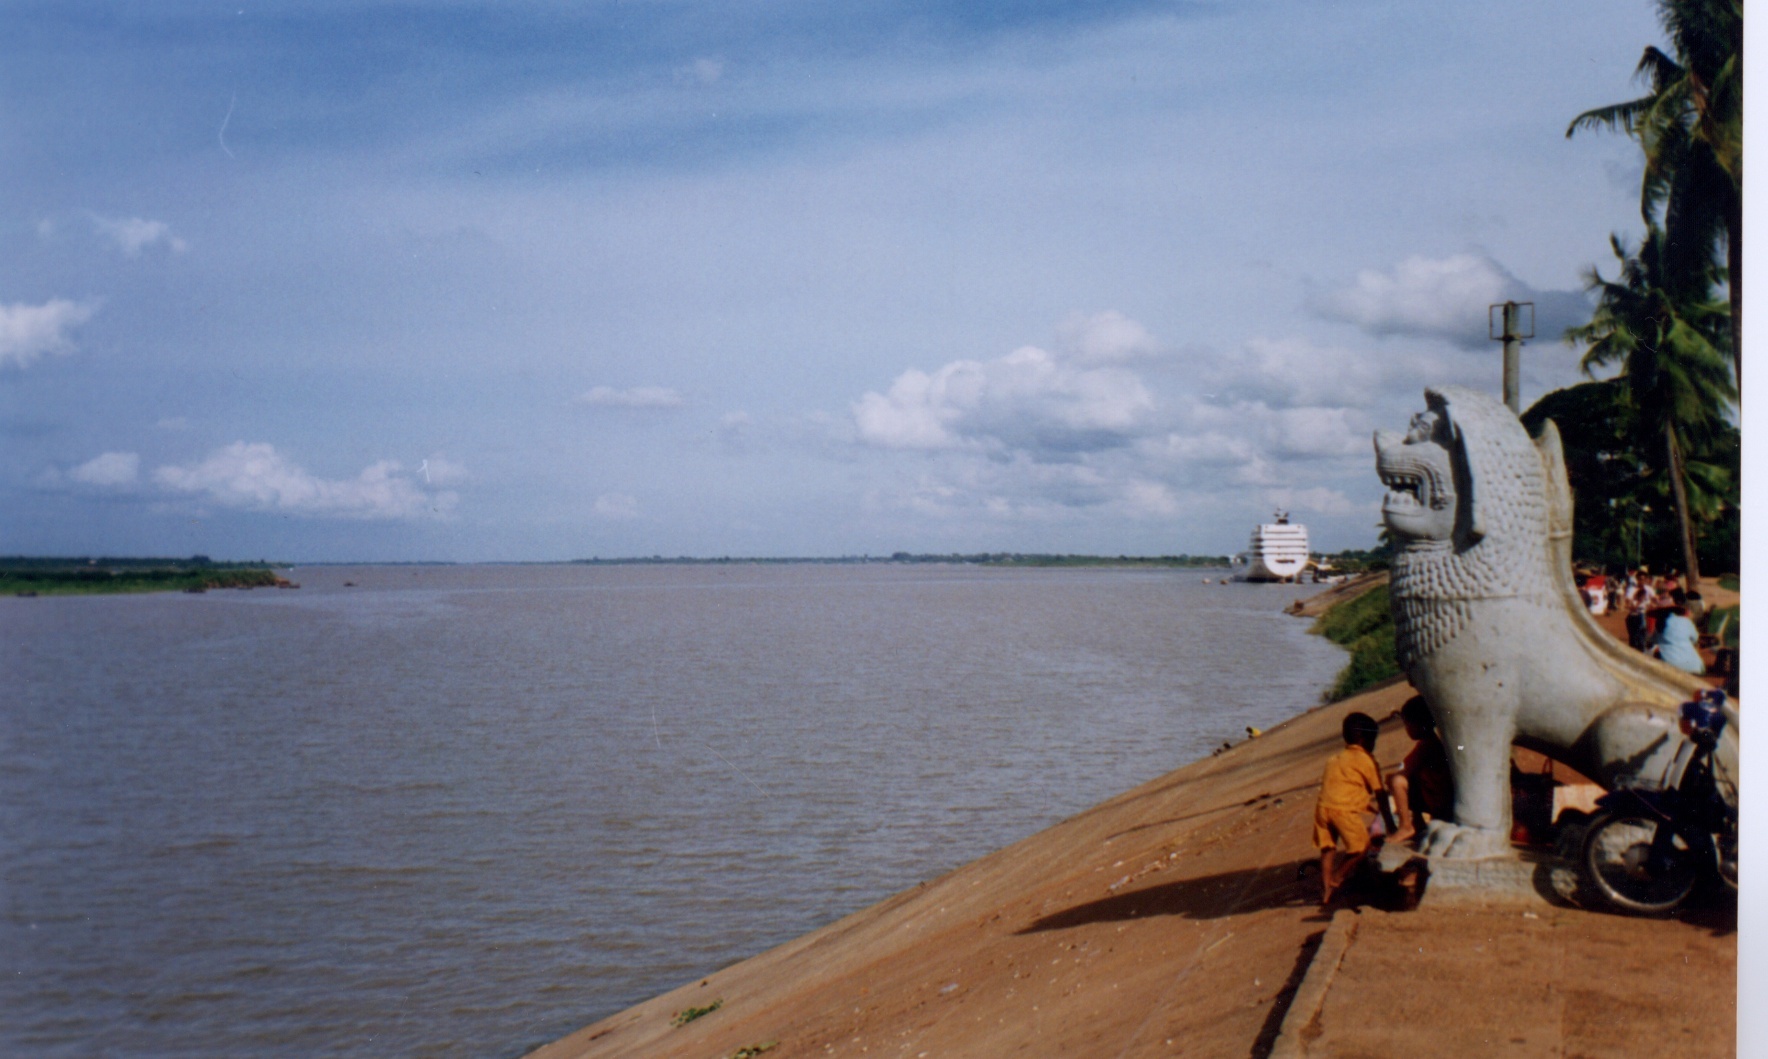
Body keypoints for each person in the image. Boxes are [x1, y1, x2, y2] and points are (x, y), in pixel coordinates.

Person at [1314, 712, 1383, 905]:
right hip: (1341, 811)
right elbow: (1380, 793)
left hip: (1322, 809)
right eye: (1373, 740)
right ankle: (1336, 879)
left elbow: (1340, 790)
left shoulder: (1334, 759)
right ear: (1364, 740)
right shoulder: (1366, 760)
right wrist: (1387, 817)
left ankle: (1325, 887)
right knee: (1361, 847)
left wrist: (1368, 808)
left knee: (1328, 848)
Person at [1386, 696, 1453, 843]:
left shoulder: (1426, 745)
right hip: (1442, 799)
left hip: (1441, 803)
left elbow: (1406, 771)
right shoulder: (1434, 742)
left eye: (1407, 724)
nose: (1407, 729)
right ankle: (1417, 822)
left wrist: (1391, 779)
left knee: (1397, 781)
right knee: (1411, 778)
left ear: (1418, 724)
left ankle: (1406, 826)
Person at [1652, 602, 1706, 674]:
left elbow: (1653, 641)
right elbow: (1695, 638)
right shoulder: (1687, 622)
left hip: (1669, 662)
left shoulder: (1661, 623)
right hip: (1693, 666)